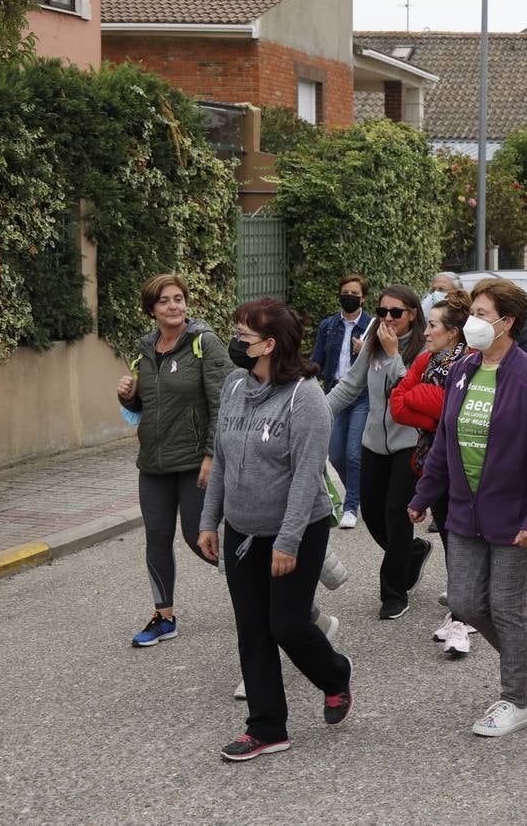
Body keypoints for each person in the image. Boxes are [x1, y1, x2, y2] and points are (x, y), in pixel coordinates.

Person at [196, 298, 352, 762]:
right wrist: (210, 521)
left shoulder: (305, 397)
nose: (236, 343)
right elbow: (221, 459)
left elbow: (307, 476)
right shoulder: (233, 386)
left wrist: (287, 542)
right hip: (242, 530)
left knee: (286, 624)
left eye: (244, 337)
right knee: (252, 629)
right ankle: (266, 728)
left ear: (269, 344)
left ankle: (336, 675)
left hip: (298, 530)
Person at [407, 278, 527, 737]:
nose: (472, 322)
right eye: (472, 312)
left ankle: (517, 700)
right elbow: (444, 444)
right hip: (464, 512)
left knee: (506, 605)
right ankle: (522, 647)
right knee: (464, 601)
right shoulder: (462, 370)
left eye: (482, 313)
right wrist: (422, 497)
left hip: (514, 515)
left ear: (507, 322)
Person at [119, 274, 233, 646]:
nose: (174, 306)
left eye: (179, 299)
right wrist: (128, 397)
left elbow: (223, 402)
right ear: (151, 309)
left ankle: (265, 587)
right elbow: (145, 405)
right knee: (156, 537)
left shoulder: (204, 344)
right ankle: (163, 617)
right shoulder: (144, 348)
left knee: (198, 537)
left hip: (194, 460)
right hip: (153, 462)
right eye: (165, 301)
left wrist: (212, 454)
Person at [326, 285, 432, 621]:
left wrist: (392, 355)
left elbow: (410, 394)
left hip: (409, 444)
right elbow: (349, 385)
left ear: (412, 314)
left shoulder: (425, 348)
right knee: (371, 513)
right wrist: (315, 414)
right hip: (374, 442)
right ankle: (412, 551)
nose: (387, 318)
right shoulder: (374, 340)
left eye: (396, 313)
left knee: (394, 513)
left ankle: (394, 593)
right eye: (383, 311)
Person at [389, 290, 478, 650]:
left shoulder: (470, 363)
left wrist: (428, 403)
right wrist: (434, 408)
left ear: (453, 332)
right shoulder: (425, 361)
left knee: (463, 538)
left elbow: (457, 412)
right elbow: (398, 405)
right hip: (432, 460)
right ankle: (463, 608)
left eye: (434, 325)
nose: (426, 332)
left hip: (465, 463)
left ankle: (465, 612)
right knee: (447, 536)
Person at [309, 274, 373, 530]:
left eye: (354, 293)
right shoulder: (329, 326)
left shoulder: (372, 326)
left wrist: (365, 350)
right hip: (334, 394)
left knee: (353, 453)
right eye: (345, 292)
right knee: (335, 454)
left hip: (361, 395)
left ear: (363, 298)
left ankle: (351, 506)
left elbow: (383, 362)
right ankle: (360, 494)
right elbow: (317, 359)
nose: (349, 296)